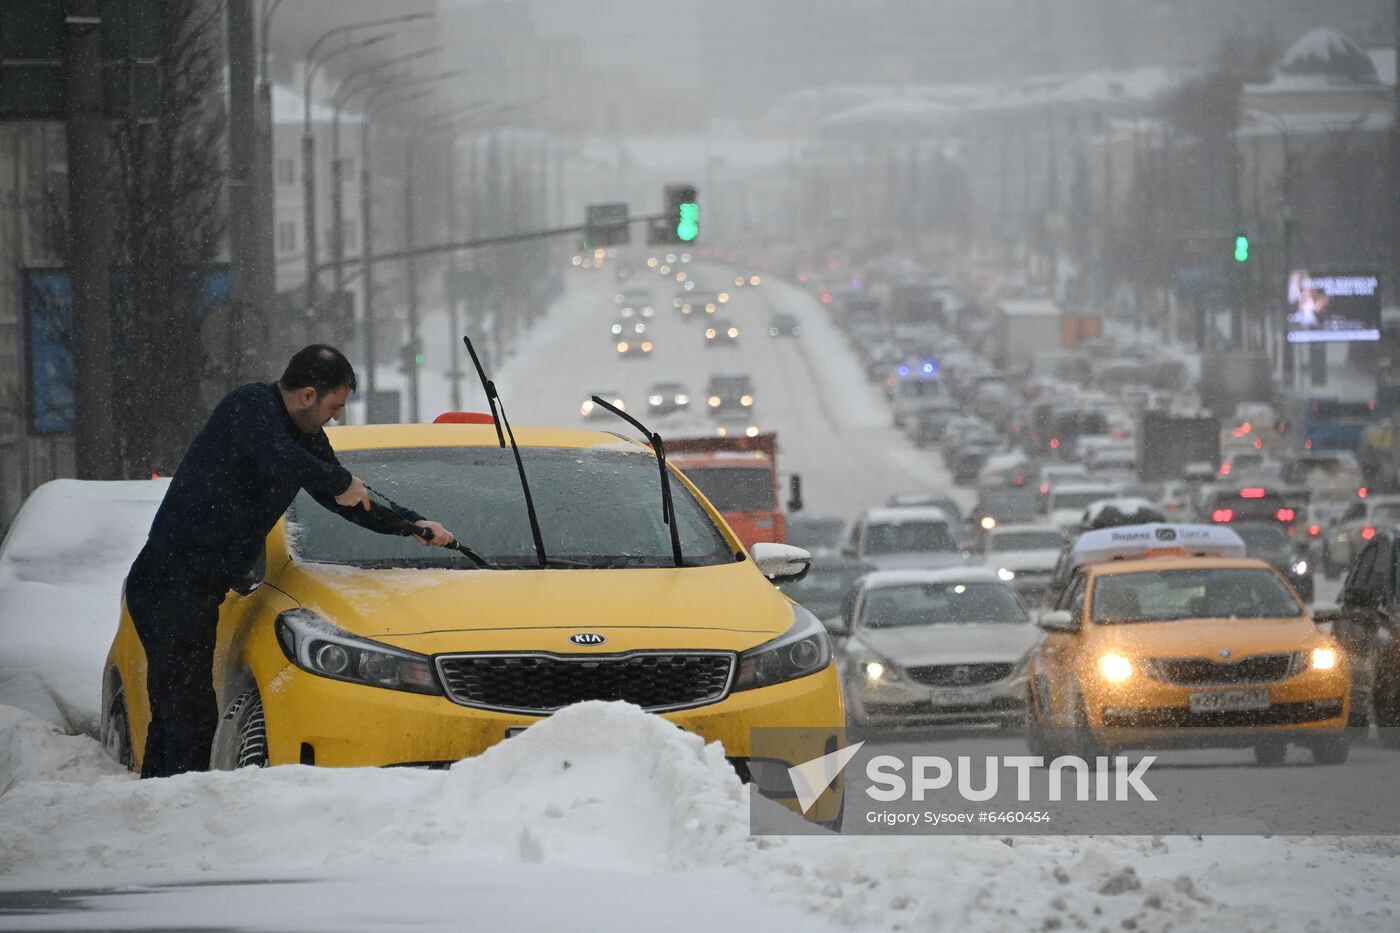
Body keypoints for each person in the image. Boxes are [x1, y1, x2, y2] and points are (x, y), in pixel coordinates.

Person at [124, 345, 455, 778]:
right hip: (169, 579)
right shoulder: (249, 407)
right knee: (188, 712)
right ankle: (176, 806)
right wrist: (338, 480)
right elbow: (283, 458)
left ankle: (158, 801)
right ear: (307, 395)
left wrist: (411, 524)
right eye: (334, 406)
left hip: (196, 587)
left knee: (178, 711)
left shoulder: (307, 437)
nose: (335, 417)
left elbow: (344, 498)